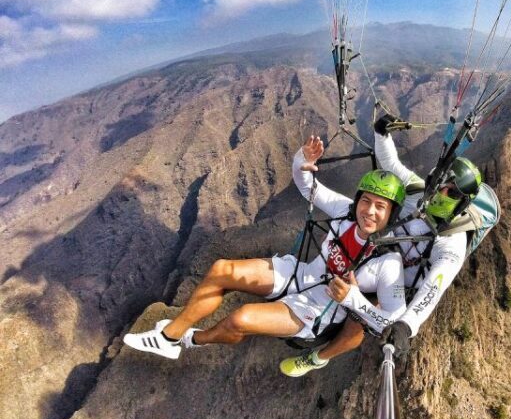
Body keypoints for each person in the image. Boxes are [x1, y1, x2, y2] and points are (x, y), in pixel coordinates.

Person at [123, 135, 407, 371]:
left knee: (240, 318)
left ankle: (193, 339)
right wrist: (302, 160)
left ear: (391, 214)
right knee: (222, 269)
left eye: (380, 207)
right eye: (366, 201)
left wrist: (354, 299)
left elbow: (393, 320)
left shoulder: (388, 261)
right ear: (358, 201)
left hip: (316, 310)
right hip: (299, 274)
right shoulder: (345, 212)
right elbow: (307, 185)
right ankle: (169, 336)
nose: (370, 211)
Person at [279, 114, 486, 376]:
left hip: (398, 284)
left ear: (463, 203)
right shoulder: (417, 191)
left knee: (357, 324)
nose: (442, 193)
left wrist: (406, 326)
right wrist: (381, 134)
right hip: (376, 254)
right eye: (441, 185)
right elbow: (391, 164)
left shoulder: (452, 243)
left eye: (453, 193)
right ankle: (293, 297)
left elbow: (435, 286)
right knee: (334, 249)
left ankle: (319, 357)